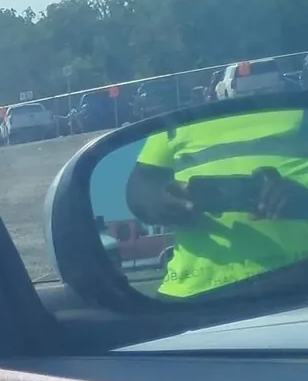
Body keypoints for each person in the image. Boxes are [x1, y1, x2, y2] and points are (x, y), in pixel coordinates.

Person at [124, 106, 308, 297]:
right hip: (193, 290)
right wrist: (165, 207)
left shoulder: (299, 105)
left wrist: (301, 198)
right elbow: (140, 190)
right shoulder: (176, 120)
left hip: (296, 284)